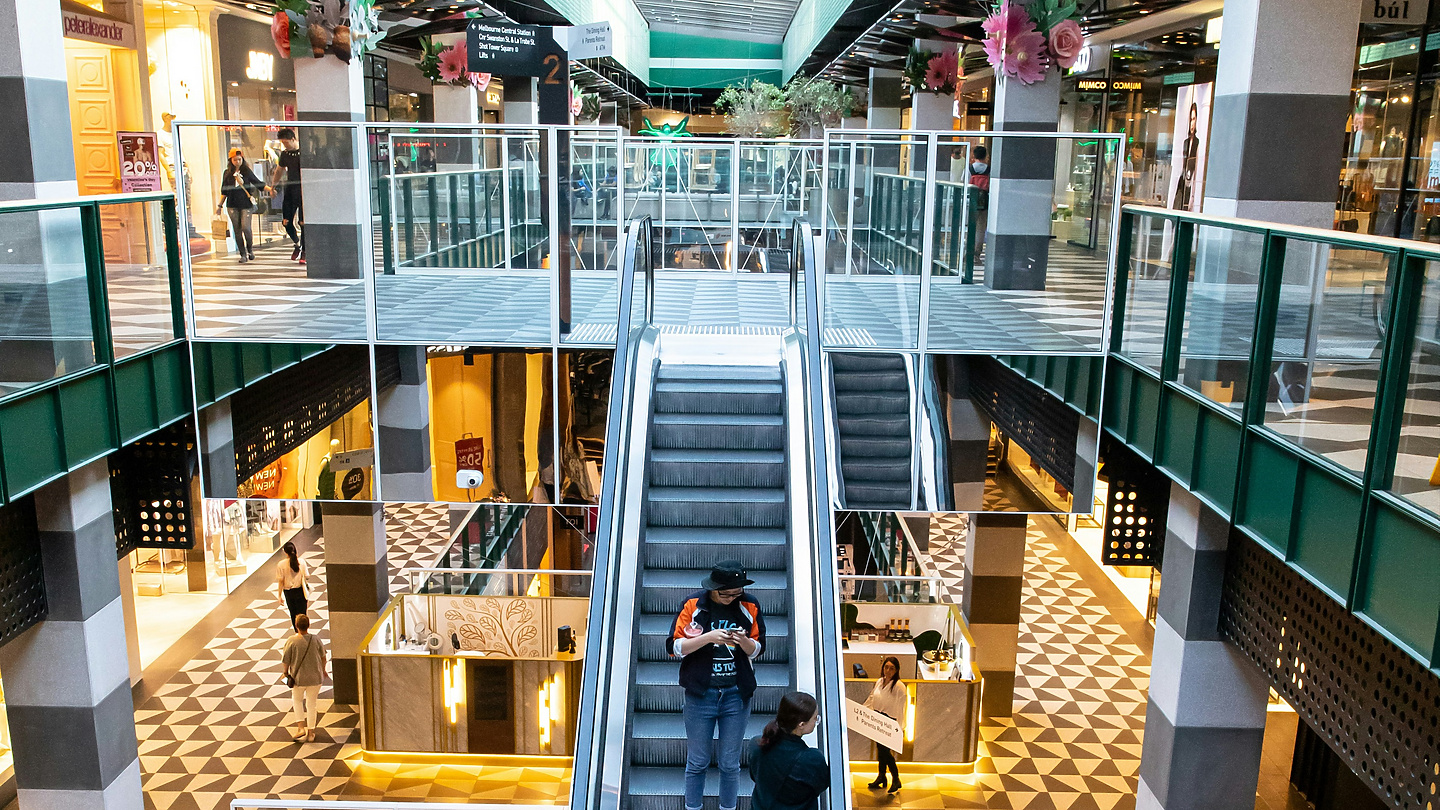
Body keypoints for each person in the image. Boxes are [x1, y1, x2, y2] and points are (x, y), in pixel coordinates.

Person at [668, 560, 767, 810]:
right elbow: (674, 647)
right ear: (714, 588)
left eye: (737, 593)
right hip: (701, 694)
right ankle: (692, 807)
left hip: (736, 694)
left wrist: (743, 642)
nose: (732, 598)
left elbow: (757, 649)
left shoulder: (749, 604)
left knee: (730, 763)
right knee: (698, 761)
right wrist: (708, 638)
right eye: (727, 593)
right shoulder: (694, 605)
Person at [747, 691, 831, 810]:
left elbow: (754, 775)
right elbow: (821, 785)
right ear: (801, 724)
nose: (816, 721)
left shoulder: (756, 745)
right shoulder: (811, 759)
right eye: (815, 718)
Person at [280, 613, 327, 742]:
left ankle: (301, 728)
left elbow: (286, 660)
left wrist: (285, 672)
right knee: (312, 704)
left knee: (297, 700)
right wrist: (323, 670)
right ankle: (311, 732)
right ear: (308, 625)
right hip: (315, 677)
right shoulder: (316, 639)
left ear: (296, 626)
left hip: (298, 678)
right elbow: (323, 657)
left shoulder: (291, 641)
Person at [863, 656, 905, 793]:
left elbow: (901, 708)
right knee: (881, 751)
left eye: (891, 668)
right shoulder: (880, 682)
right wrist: (864, 711)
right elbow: (871, 698)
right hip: (877, 719)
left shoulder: (899, 687)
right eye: (886, 667)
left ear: (896, 670)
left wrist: (899, 728)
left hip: (890, 721)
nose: (888, 670)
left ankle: (896, 778)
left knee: (885, 752)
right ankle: (881, 776)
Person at [218, 148, 262, 263]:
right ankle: (243, 254)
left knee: (246, 228)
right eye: (235, 160)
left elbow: (257, 182)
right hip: (232, 204)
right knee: (237, 230)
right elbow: (224, 191)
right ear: (230, 160)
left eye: (239, 159)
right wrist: (219, 206)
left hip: (246, 204)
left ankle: (250, 249)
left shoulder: (246, 171)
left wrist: (269, 189)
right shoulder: (227, 173)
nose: (237, 162)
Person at [267, 128, 304, 262]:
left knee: (303, 222)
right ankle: (297, 243)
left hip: (303, 189)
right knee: (286, 221)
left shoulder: (304, 152)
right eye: (283, 143)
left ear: (293, 139)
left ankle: (305, 250)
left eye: (286, 142)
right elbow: (279, 170)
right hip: (290, 189)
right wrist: (273, 186)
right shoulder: (285, 154)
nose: (285, 145)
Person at [276, 542, 310, 630]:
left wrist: (279, 595)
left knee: (293, 613)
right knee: (302, 614)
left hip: (288, 592)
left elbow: (280, 581)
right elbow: (307, 576)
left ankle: (297, 632)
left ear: (285, 552)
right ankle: (304, 631)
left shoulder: (281, 564)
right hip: (300, 591)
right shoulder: (301, 562)